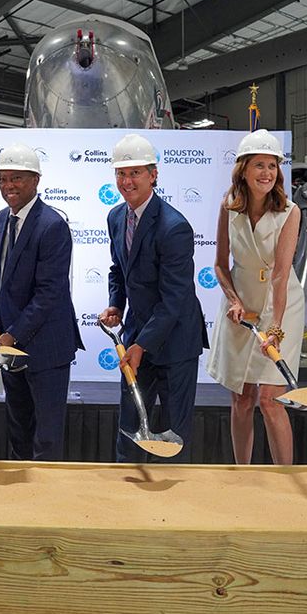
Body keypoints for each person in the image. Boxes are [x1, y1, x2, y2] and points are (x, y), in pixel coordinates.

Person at [98, 133, 207, 464]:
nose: (127, 181)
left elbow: (174, 299)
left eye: (135, 173)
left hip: (175, 343)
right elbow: (119, 268)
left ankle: (171, 510)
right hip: (138, 336)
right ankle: (124, 500)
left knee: (173, 439)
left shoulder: (174, 227)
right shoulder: (116, 217)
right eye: (121, 173)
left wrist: (141, 346)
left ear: (153, 175)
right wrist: (116, 303)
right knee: (129, 430)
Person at [206, 129, 303, 464]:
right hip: (240, 305)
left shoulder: (290, 211)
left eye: (272, 166)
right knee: (242, 397)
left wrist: (275, 326)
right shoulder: (228, 207)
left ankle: (285, 480)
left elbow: (280, 272)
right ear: (243, 170)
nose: (266, 173)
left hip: (282, 304)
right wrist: (233, 300)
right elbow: (219, 265)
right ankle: (242, 475)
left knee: (270, 400)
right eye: (259, 165)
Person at [0, 143, 82, 461]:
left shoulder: (52, 225)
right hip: (13, 343)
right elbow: (6, 274)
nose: (9, 186)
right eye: (4, 178)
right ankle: (21, 501)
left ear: (36, 180)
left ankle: (46, 503)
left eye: (17, 178)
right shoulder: (3, 218)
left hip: (46, 347)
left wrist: (12, 335)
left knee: (46, 437)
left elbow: (49, 294)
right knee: (19, 430)